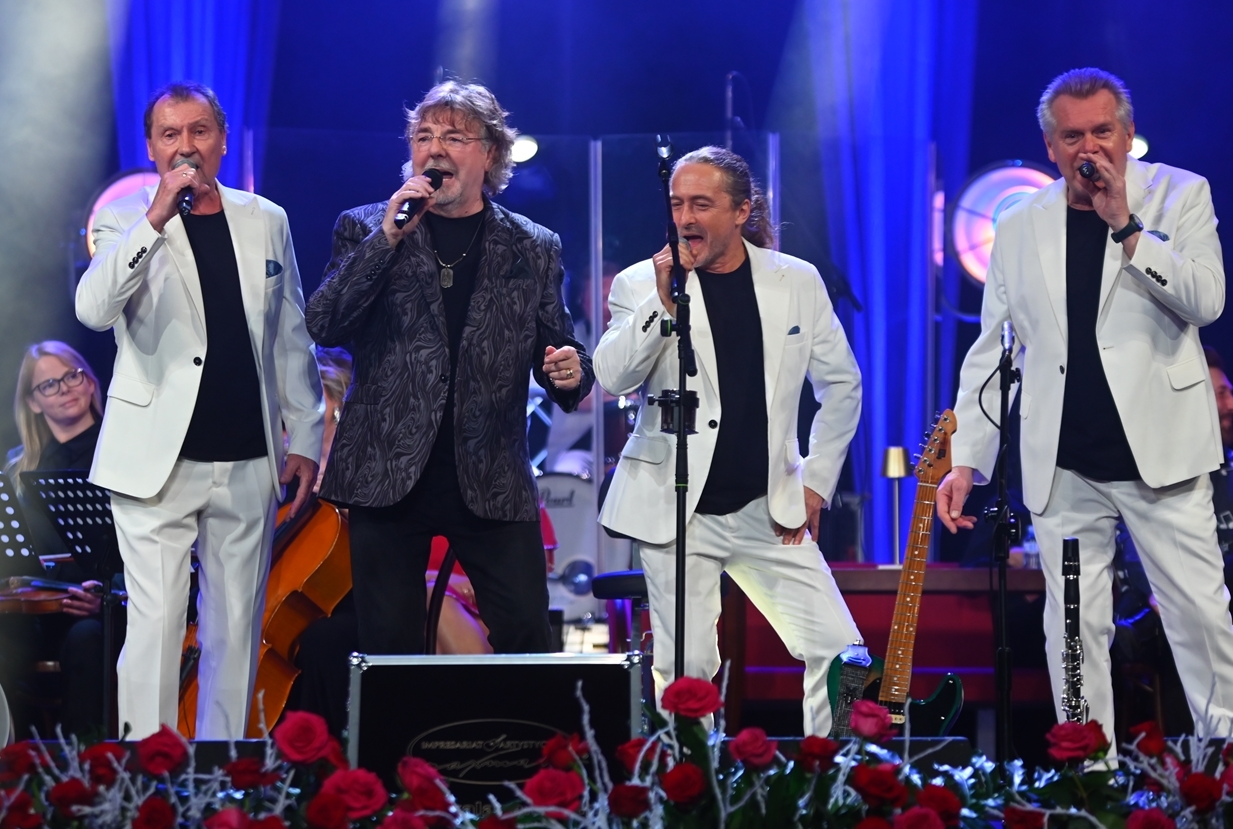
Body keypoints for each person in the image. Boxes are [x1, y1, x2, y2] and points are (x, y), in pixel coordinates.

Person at [936, 67, 1233, 741]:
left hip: (1162, 458)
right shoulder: (1018, 223)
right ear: (1050, 146)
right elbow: (994, 347)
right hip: (1066, 465)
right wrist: (967, 459)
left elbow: (1207, 301)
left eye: (1103, 131)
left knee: (1199, 618)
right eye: (1073, 136)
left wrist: (1128, 228)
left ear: (1128, 133)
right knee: (1074, 628)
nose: (1090, 148)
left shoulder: (1179, 194)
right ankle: (1090, 773)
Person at [305, 80, 591, 655]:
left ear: (491, 154)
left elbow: (558, 348)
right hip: (387, 472)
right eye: (423, 136)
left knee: (526, 637)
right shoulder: (366, 226)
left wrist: (570, 370)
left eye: (454, 137)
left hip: (489, 474)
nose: (434, 149)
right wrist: (387, 238)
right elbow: (324, 322)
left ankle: (518, 723)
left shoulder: (533, 246)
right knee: (389, 650)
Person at [76, 82, 324, 740]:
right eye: (170, 134)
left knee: (236, 631)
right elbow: (93, 310)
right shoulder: (123, 219)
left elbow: (290, 332)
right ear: (151, 147)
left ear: (221, 139)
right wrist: (156, 218)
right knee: (155, 628)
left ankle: (221, 779)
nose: (185, 146)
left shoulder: (265, 218)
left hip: (247, 456)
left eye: (199, 131)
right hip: (155, 461)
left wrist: (306, 433)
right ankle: (145, 774)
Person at [594, 146, 863, 736]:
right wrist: (662, 303)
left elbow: (842, 385)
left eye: (701, 204)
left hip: (769, 507)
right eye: (677, 204)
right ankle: (695, 783)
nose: (685, 218)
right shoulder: (642, 282)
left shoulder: (796, 280)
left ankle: (834, 774)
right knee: (686, 672)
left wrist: (816, 482)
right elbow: (612, 376)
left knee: (845, 656)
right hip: (675, 509)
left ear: (742, 211)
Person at [1111, 348, 1233, 725]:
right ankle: (1170, 622)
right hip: (1161, 607)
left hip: (1230, 619)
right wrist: (1169, 593)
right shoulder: (1145, 470)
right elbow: (1131, 552)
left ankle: (1156, 628)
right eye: (1221, 394)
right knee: (1191, 631)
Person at [0, 341, 109, 737]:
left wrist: (108, 595)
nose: (65, 389)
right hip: (33, 612)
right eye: (49, 385)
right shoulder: (17, 469)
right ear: (32, 402)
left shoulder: (122, 455)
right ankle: (7, 759)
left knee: (88, 640)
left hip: (98, 611)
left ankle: (84, 763)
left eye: (72, 376)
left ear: (90, 383)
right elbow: (6, 552)